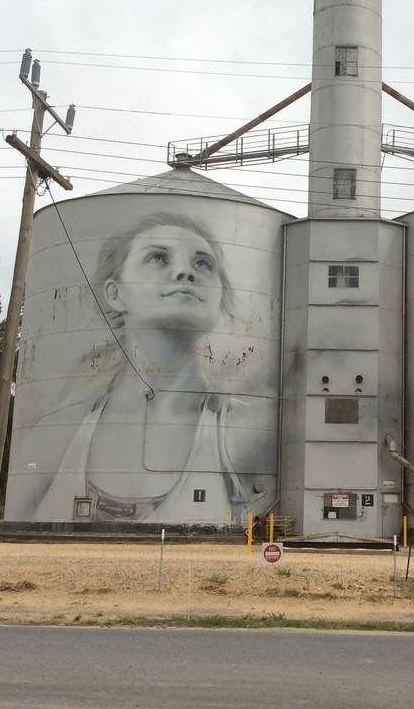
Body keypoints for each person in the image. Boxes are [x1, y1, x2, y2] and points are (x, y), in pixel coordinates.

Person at [20, 213, 269, 524]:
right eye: (158, 257)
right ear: (115, 293)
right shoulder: (58, 431)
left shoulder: (246, 428)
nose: (184, 272)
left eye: (202, 263)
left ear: (219, 298)